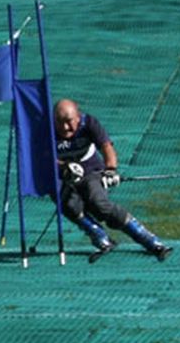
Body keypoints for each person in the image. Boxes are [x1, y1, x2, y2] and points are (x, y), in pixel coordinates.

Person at [53, 99, 173, 262]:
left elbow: (106, 147)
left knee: (98, 203)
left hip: (91, 171)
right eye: (61, 123)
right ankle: (100, 237)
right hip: (62, 176)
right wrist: (64, 167)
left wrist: (111, 170)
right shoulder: (47, 131)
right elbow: (41, 157)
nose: (66, 128)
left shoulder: (89, 123)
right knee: (69, 205)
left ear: (78, 117)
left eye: (69, 122)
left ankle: (148, 240)